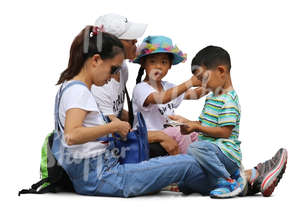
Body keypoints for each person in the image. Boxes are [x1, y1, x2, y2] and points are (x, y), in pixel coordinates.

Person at [51, 25, 221, 197]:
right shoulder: (78, 91)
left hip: (101, 171)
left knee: (187, 157)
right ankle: (227, 183)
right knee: (187, 163)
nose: (112, 76)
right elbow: (72, 136)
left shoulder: (70, 87)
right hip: (104, 176)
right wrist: (112, 127)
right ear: (96, 60)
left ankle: (222, 180)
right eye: (113, 69)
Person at [169, 46, 288, 197]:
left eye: (203, 78)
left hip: (226, 153)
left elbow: (225, 132)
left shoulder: (229, 100)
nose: (201, 84)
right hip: (211, 152)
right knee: (186, 184)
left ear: (221, 71)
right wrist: (186, 122)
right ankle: (247, 179)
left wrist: (196, 128)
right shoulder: (212, 97)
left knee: (195, 148)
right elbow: (203, 124)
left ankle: (227, 181)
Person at [91, 14, 182, 157]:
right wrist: (159, 135)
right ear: (112, 45)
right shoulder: (99, 86)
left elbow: (117, 111)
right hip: (106, 150)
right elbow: (112, 131)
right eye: (129, 38)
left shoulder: (122, 68)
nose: (135, 40)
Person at [131, 35, 208, 154]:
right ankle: (186, 166)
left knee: (195, 132)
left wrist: (212, 84)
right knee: (180, 132)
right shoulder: (141, 88)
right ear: (143, 64)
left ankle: (206, 167)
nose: (158, 66)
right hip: (150, 135)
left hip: (169, 131)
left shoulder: (169, 87)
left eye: (164, 62)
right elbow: (162, 98)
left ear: (170, 66)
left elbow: (194, 94)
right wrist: (190, 82)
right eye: (152, 61)